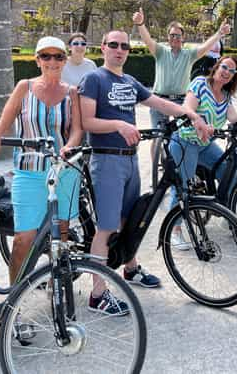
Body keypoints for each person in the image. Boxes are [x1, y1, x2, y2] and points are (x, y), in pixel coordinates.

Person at [79, 29, 211, 313]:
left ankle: (130, 268)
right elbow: (88, 121)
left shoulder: (129, 80)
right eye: (113, 45)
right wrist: (118, 125)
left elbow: (159, 103)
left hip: (129, 160)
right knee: (106, 227)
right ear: (102, 47)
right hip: (107, 159)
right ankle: (97, 294)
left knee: (131, 218)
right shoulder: (93, 79)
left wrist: (191, 114)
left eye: (124, 46)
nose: (119, 50)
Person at [0, 36, 83, 283]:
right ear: (37, 60)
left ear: (65, 60)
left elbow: (77, 130)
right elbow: (1, 127)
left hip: (63, 172)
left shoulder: (72, 93)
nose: (52, 61)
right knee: (24, 238)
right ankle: (15, 298)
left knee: (62, 234)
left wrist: (68, 147)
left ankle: (57, 291)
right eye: (46, 56)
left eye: (58, 56)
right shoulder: (25, 88)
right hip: (29, 171)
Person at [168, 56, 237, 249]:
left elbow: (232, 116)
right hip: (185, 142)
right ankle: (174, 231)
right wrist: (198, 121)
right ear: (217, 67)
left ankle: (226, 214)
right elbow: (187, 108)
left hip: (205, 145)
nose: (226, 72)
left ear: (234, 76)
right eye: (224, 67)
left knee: (231, 174)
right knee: (182, 187)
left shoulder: (225, 95)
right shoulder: (200, 83)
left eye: (232, 71)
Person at [132, 8, 231, 160]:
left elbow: (205, 47)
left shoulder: (189, 54)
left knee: (180, 135)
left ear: (183, 38)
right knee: (158, 137)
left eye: (178, 35)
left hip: (180, 101)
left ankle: (175, 164)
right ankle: (156, 173)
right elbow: (148, 40)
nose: (175, 38)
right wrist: (141, 24)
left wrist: (219, 33)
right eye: (172, 35)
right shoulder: (160, 52)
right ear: (168, 37)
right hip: (159, 99)